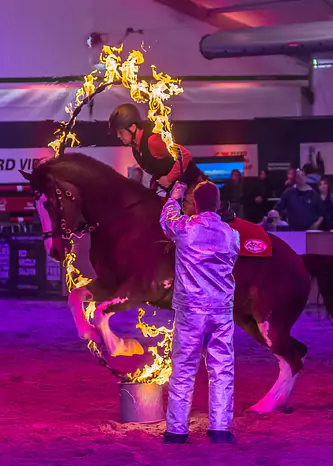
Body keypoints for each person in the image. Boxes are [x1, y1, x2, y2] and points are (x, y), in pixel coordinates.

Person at [160, 181, 240, 445]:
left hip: (191, 310)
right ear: (219, 205)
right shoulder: (232, 235)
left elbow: (167, 220)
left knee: (183, 369)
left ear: (195, 203)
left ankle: (177, 431)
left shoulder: (184, 228)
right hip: (221, 311)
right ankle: (220, 428)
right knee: (222, 370)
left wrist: (174, 196)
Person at [109, 103, 205, 215]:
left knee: (184, 222)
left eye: (120, 132)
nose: (118, 136)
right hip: (176, 190)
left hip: (193, 186)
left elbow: (185, 154)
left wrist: (169, 178)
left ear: (133, 128)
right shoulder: (135, 148)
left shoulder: (152, 141)